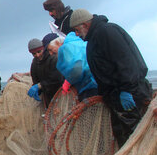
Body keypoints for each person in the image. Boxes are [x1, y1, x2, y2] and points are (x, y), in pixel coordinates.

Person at [70, 9, 152, 147]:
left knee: (135, 136)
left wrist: (126, 89)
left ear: (85, 24)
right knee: (123, 135)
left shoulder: (106, 32)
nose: (77, 34)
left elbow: (125, 61)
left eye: (77, 30)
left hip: (130, 95)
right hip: (116, 96)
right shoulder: (95, 37)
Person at [55, 32, 98, 101]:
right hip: (98, 83)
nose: (51, 54)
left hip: (88, 87)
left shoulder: (68, 47)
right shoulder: (84, 43)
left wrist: (69, 81)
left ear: (58, 43)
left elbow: (77, 69)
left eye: (51, 51)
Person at [28, 37, 64, 108]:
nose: (37, 55)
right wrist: (37, 91)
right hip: (47, 96)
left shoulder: (53, 58)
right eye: (34, 54)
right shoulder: (34, 63)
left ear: (43, 48)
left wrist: (40, 85)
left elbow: (57, 79)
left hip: (60, 93)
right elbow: (35, 80)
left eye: (39, 51)